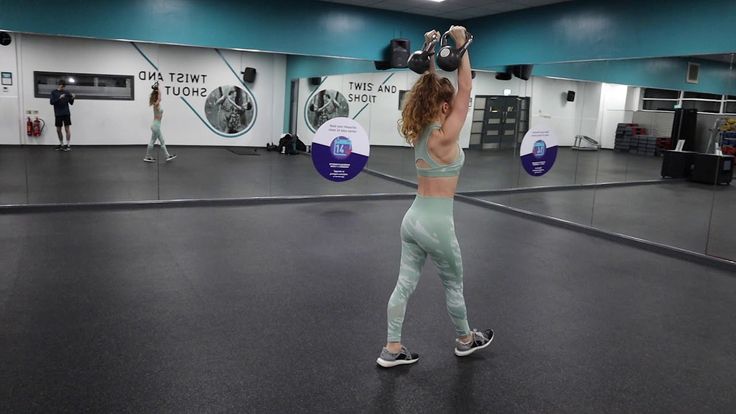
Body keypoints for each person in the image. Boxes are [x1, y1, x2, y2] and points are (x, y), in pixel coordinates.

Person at [377, 26, 493, 368]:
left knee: (404, 286)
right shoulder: (444, 136)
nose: (454, 104)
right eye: (450, 102)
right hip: (437, 224)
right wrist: (461, 44)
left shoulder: (421, 132)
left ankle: (392, 349)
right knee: (453, 286)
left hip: (412, 220)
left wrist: (430, 54)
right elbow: (466, 88)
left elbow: (430, 87)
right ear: (443, 105)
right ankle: (465, 339)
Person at [143, 84, 176, 162]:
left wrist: (157, 89)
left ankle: (148, 156)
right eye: (158, 96)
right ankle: (166, 156)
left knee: (154, 141)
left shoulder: (157, 104)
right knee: (160, 141)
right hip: (156, 125)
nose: (159, 97)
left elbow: (159, 98)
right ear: (157, 97)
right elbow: (160, 98)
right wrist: (158, 89)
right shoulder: (156, 104)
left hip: (155, 125)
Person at [49, 79, 74, 151]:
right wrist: (59, 98)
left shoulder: (66, 92)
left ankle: (68, 145)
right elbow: (51, 102)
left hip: (66, 113)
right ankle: (62, 144)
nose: (63, 88)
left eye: (64, 87)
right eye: (62, 86)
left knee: (67, 129)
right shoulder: (54, 92)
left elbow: (71, 103)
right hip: (58, 114)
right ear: (59, 85)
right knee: (58, 130)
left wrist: (72, 97)